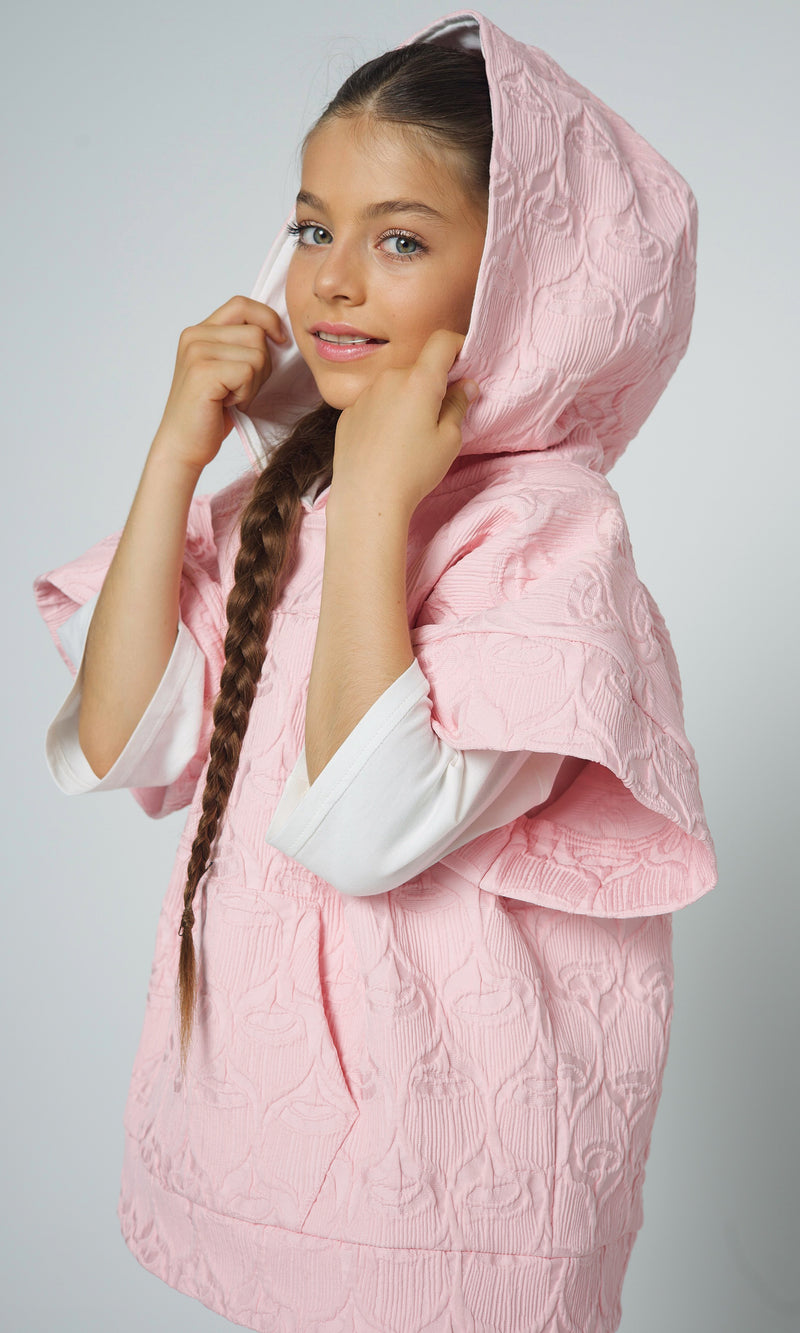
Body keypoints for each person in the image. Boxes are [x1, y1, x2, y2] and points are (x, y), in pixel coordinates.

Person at [34, 10, 717, 1331]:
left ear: (519, 281)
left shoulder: (547, 535)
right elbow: (128, 744)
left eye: (399, 239)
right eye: (313, 229)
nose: (334, 281)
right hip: (278, 1148)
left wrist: (385, 501)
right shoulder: (283, 493)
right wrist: (179, 452)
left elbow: (365, 827)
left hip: (453, 1188)